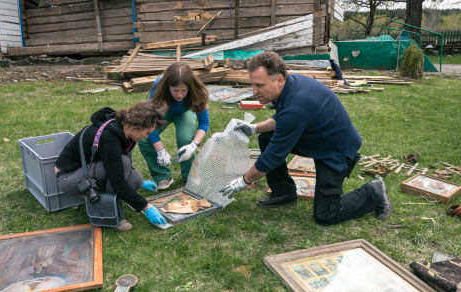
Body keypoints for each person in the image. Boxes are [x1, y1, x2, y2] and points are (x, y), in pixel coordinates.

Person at [219, 51, 391, 225]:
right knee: (267, 137)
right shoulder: (291, 84)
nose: (254, 91)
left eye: (259, 85)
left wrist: (243, 180)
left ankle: (373, 191)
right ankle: (284, 192)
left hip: (336, 151)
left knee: (326, 215)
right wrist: (255, 128)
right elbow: (284, 118)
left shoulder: (297, 106)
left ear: (279, 80)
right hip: (317, 138)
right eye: (252, 84)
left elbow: (273, 156)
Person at [55, 102, 168, 231]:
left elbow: (113, 162)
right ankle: (109, 214)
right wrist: (147, 207)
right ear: (137, 127)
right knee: (124, 163)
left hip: (85, 170)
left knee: (136, 179)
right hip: (68, 178)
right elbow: (117, 181)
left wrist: (141, 183)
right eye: (147, 133)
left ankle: (94, 194)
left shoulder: (125, 130)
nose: (147, 136)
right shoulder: (110, 137)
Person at [138, 62, 210, 190]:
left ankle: (190, 175)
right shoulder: (158, 86)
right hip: (163, 112)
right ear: (167, 86)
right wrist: (160, 151)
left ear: (190, 87)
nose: (180, 95)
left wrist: (194, 145)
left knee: (185, 139)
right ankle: (163, 177)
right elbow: (150, 122)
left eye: (184, 91)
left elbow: (204, 122)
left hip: (185, 112)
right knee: (144, 139)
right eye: (175, 90)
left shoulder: (196, 90)